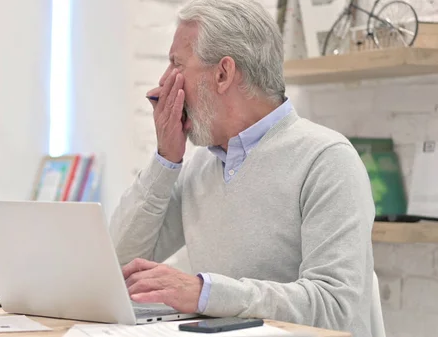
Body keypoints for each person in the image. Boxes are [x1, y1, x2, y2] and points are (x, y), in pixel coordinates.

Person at [109, 0, 375, 336]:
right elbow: (117, 263)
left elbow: (335, 309)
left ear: (223, 74)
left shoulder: (327, 160)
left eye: (176, 65)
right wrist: (166, 160)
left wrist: (206, 293)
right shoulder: (201, 168)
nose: (163, 84)